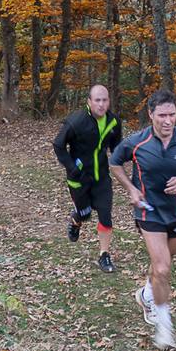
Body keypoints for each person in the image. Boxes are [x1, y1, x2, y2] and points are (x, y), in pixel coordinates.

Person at [109, 89, 176, 350]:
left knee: (161, 265)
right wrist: (131, 189)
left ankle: (145, 294)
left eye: (172, 115)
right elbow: (115, 162)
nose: (168, 120)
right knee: (163, 268)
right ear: (151, 114)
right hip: (148, 211)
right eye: (162, 115)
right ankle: (164, 327)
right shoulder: (137, 142)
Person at [53, 84, 123, 273]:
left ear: (109, 101)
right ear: (89, 102)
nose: (101, 104)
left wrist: (126, 159)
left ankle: (104, 255)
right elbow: (58, 145)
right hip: (79, 179)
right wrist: (71, 167)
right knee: (85, 214)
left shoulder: (114, 121)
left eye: (105, 100)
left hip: (102, 178)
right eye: (97, 100)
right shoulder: (76, 121)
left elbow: (117, 148)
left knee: (105, 214)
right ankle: (76, 219)